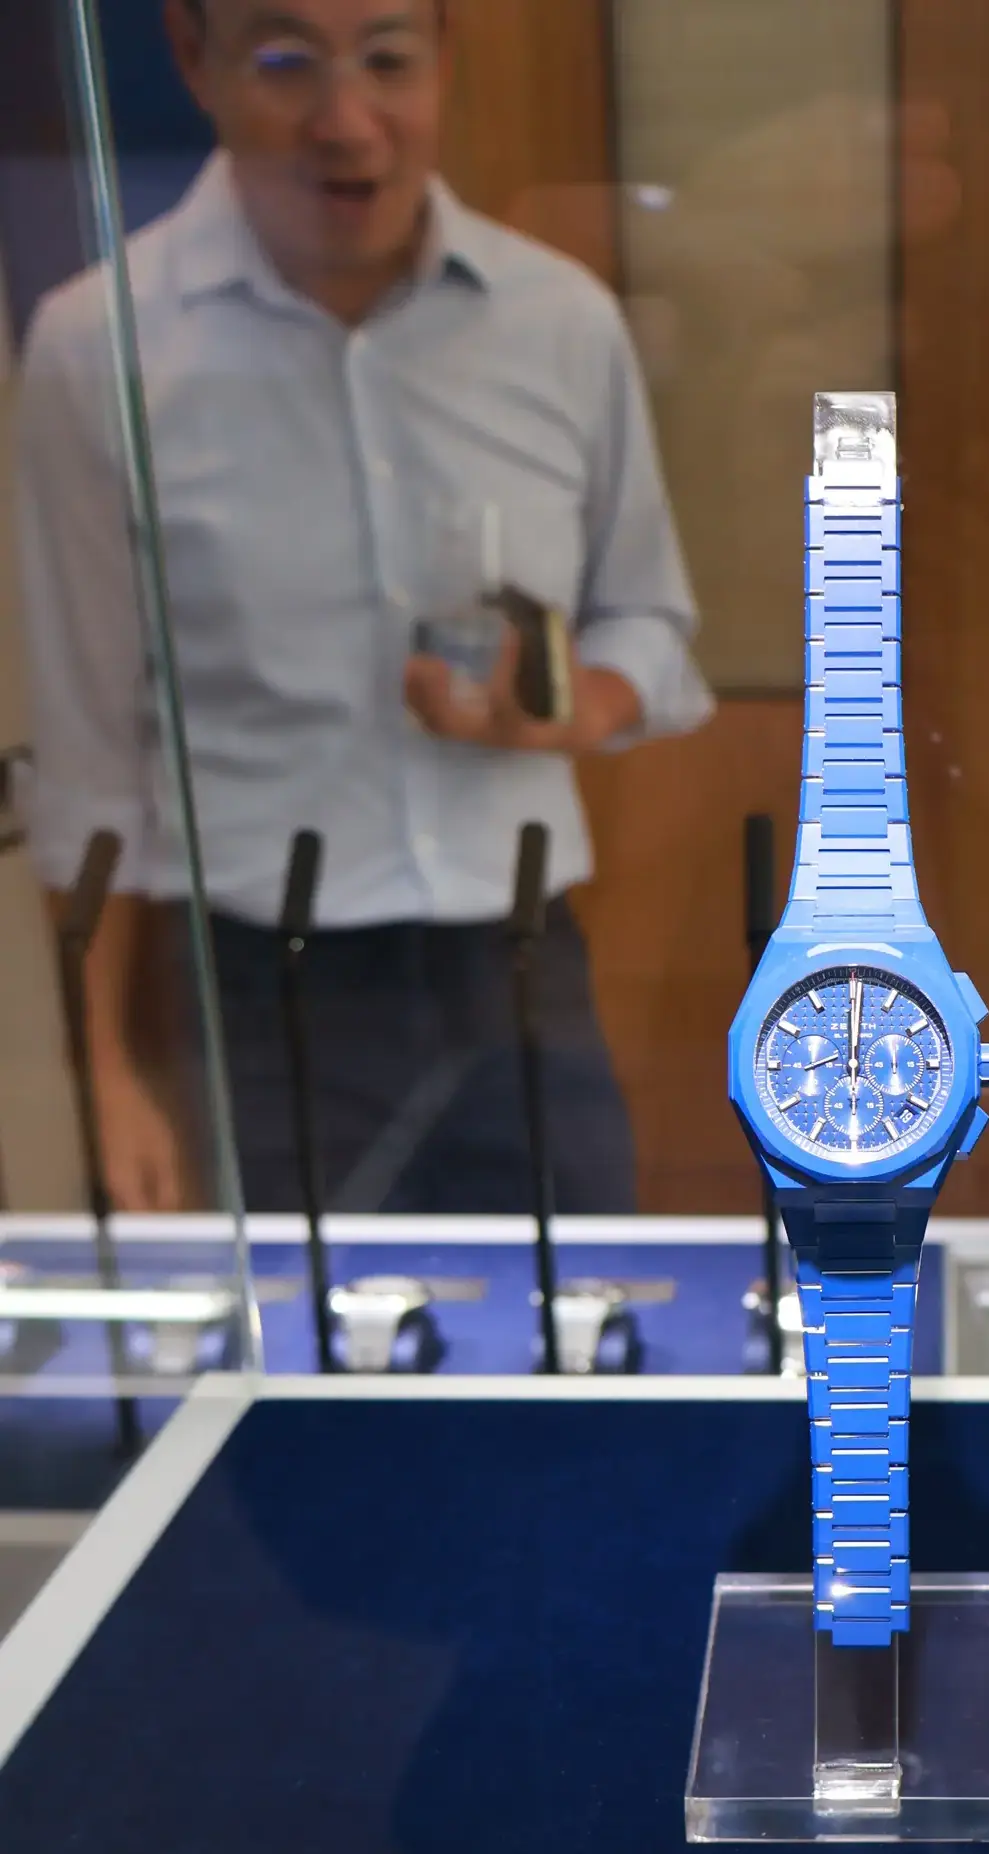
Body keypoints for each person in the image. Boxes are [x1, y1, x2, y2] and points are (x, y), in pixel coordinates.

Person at [16, 0, 711, 1213]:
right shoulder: (97, 346)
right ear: (195, 58)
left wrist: (576, 706)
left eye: (388, 60)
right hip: (259, 986)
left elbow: (647, 619)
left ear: (444, 60)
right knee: (297, 1331)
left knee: (580, 1313)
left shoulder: (560, 322)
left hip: (520, 963)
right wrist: (107, 1074)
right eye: (285, 61)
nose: (346, 122)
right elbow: (90, 755)